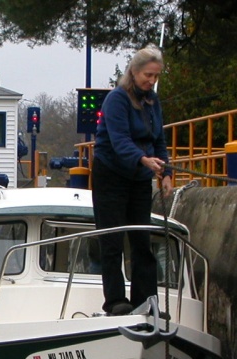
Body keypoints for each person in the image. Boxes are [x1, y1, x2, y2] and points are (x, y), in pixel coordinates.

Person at [91, 44, 174, 316]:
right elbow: (119, 140)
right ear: (134, 72)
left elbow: (158, 139)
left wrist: (166, 172)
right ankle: (115, 301)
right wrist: (143, 159)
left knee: (142, 240)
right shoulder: (117, 99)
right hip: (111, 174)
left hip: (140, 175)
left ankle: (146, 302)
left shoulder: (153, 101)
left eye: (156, 76)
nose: (151, 81)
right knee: (112, 240)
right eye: (148, 76)